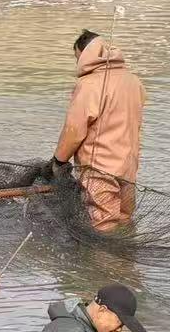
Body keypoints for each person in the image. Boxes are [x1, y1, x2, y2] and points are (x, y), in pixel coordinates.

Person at [52, 29, 145, 231]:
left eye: (77, 57)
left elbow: (74, 130)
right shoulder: (133, 81)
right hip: (128, 166)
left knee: (103, 225)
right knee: (124, 220)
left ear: (85, 55)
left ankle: (102, 263)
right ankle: (126, 263)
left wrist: (59, 160)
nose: (77, 63)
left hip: (99, 168)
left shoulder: (89, 84)